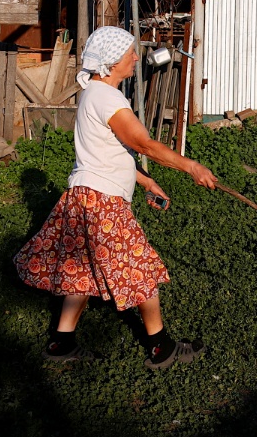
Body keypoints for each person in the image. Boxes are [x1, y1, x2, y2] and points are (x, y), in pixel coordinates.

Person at [14, 26, 217, 367]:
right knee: (139, 268)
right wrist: (191, 166)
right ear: (110, 62)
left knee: (82, 271)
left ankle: (61, 343)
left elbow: (107, 152)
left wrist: (146, 182)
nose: (136, 58)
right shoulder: (107, 97)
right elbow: (142, 144)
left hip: (85, 197)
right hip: (103, 203)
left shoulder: (93, 94)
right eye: (129, 54)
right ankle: (161, 348)